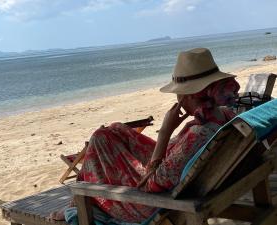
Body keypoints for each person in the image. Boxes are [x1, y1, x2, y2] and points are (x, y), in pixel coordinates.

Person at [51, 48, 240, 224]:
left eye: (178, 93)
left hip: (155, 203)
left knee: (100, 138)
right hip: (179, 176)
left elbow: (151, 184)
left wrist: (166, 131)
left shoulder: (199, 133)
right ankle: (77, 201)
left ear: (188, 96)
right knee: (111, 132)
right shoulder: (221, 115)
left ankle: (79, 201)